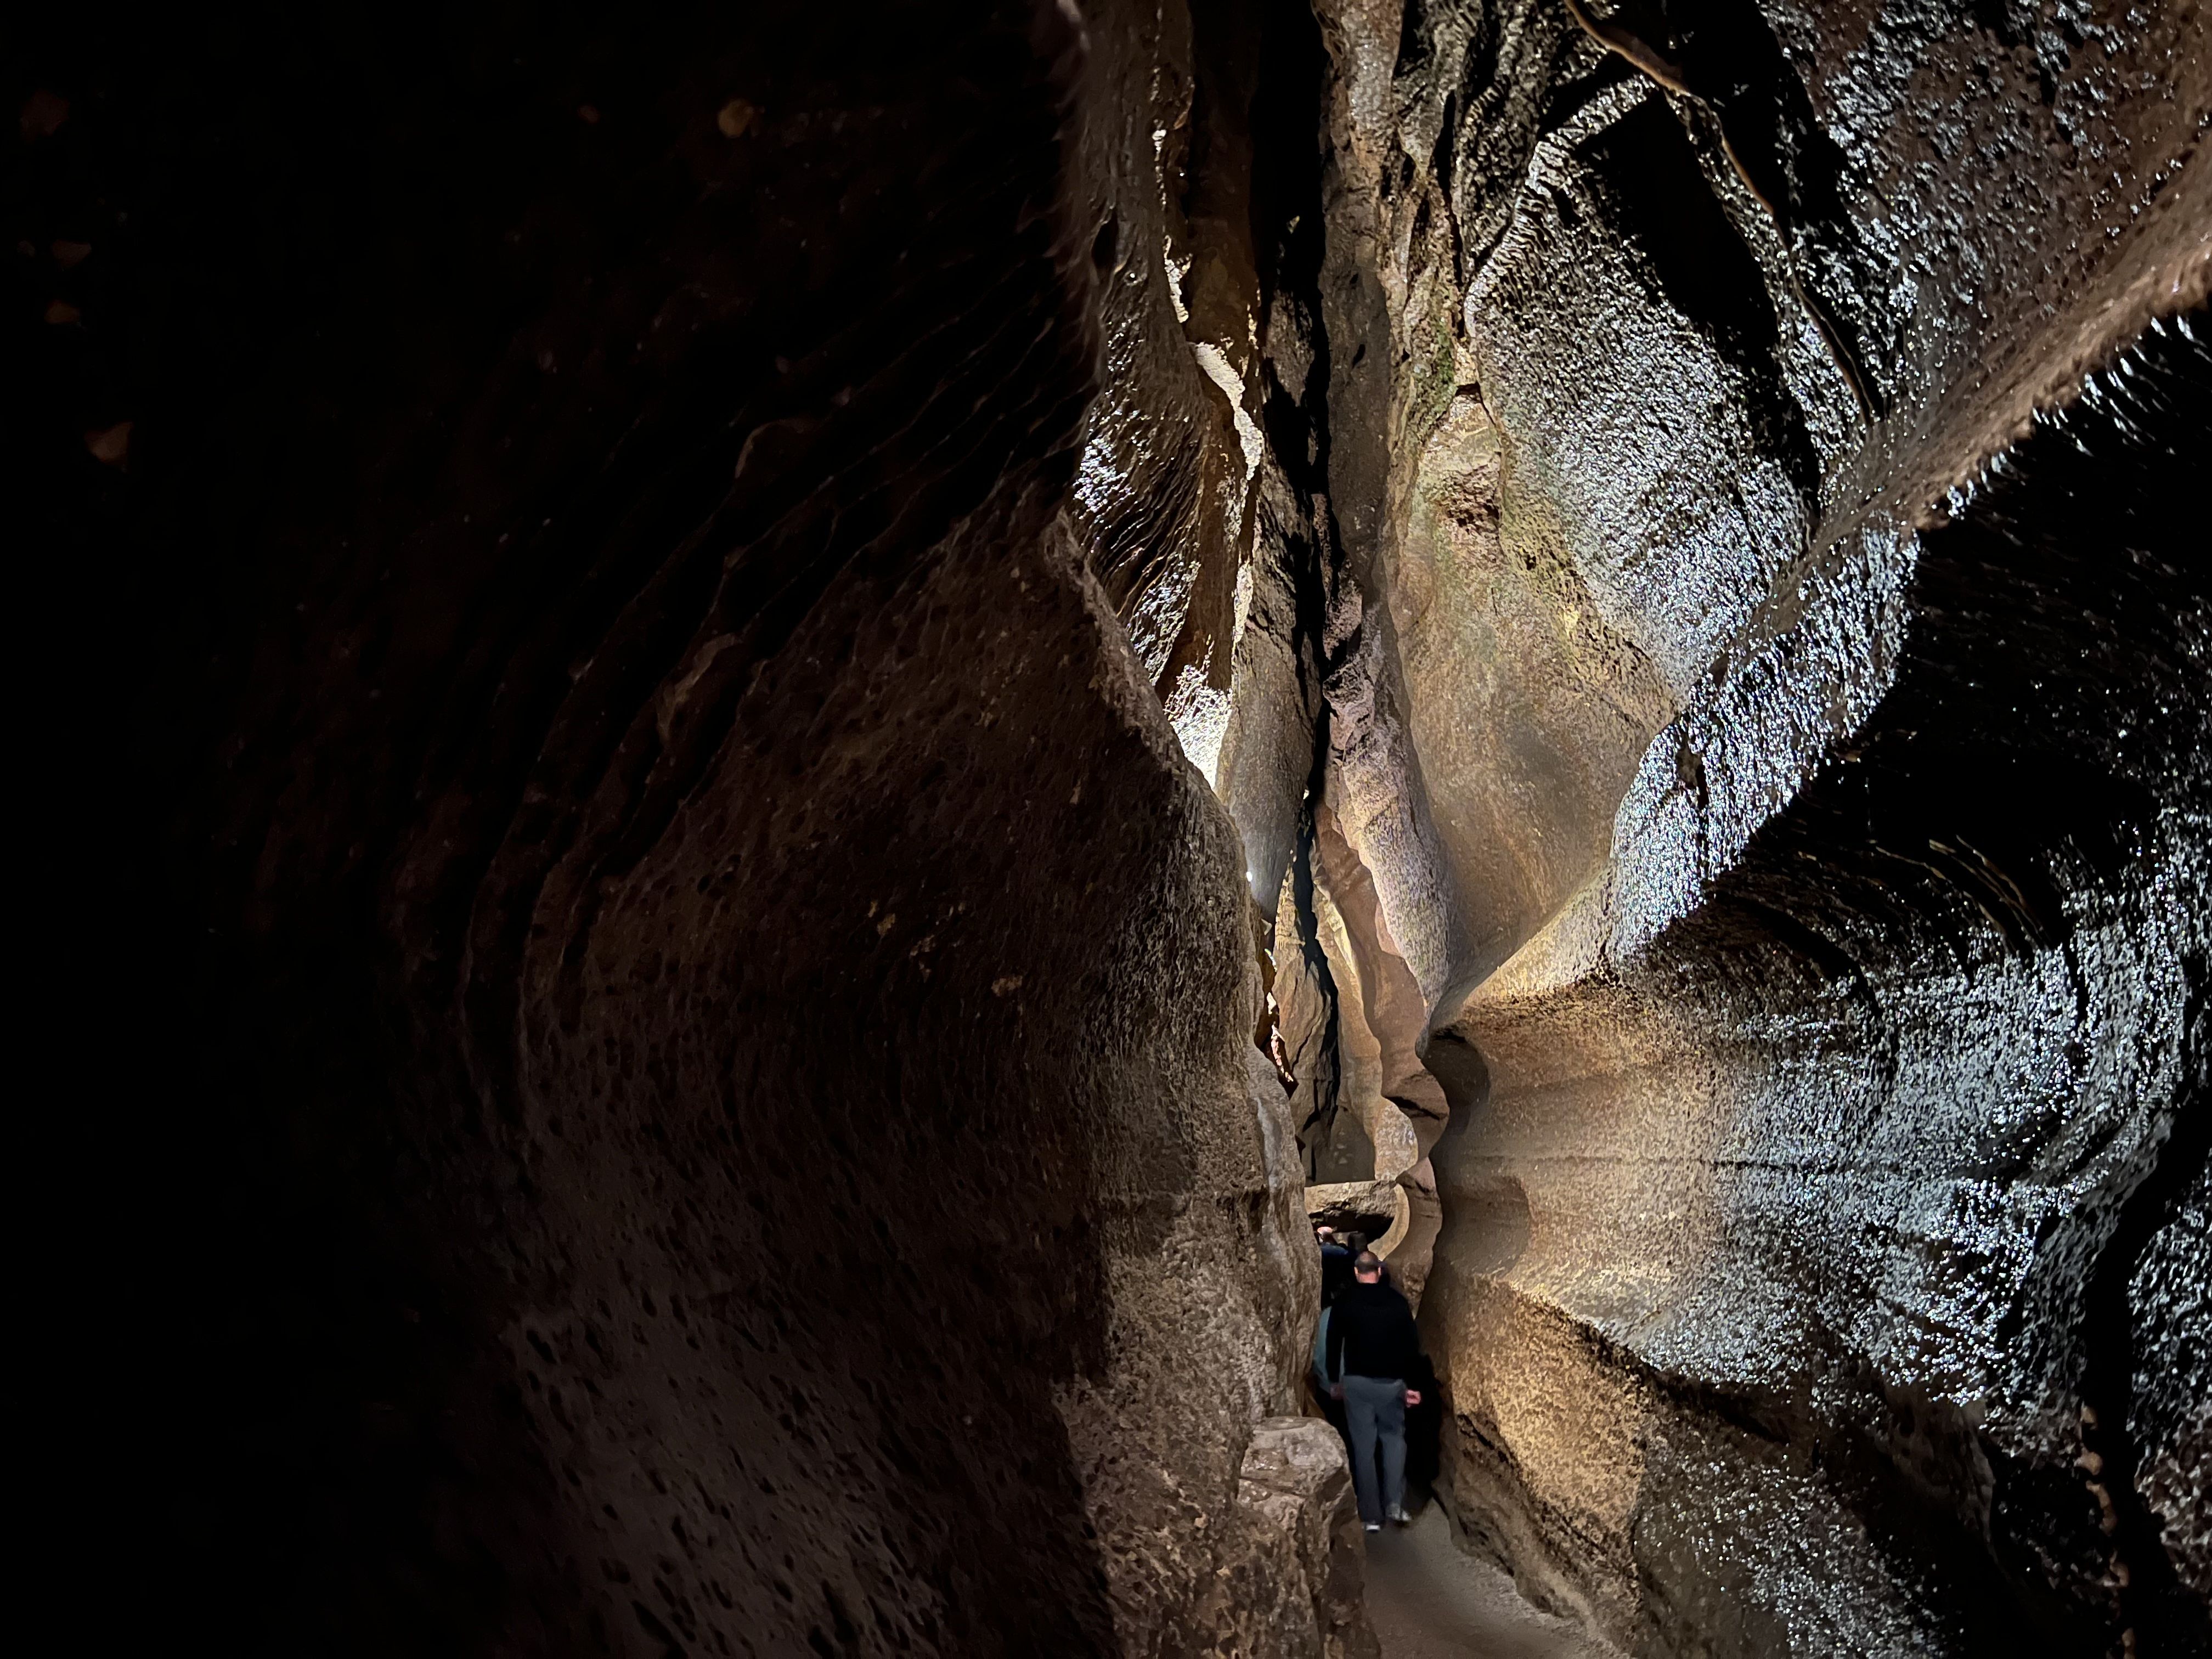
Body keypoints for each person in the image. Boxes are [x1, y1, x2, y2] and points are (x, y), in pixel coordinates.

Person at [1325, 1250, 1424, 1531]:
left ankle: (1371, 1517)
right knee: (1394, 1442)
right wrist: (1413, 1385)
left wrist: (1335, 1381)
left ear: (1357, 1272)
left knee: (1363, 1449)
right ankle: (1395, 1503)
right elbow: (1411, 1347)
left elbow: (1334, 1344)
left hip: (1358, 1384)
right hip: (1391, 1383)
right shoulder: (1397, 1303)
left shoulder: (1344, 1304)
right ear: (1378, 1272)